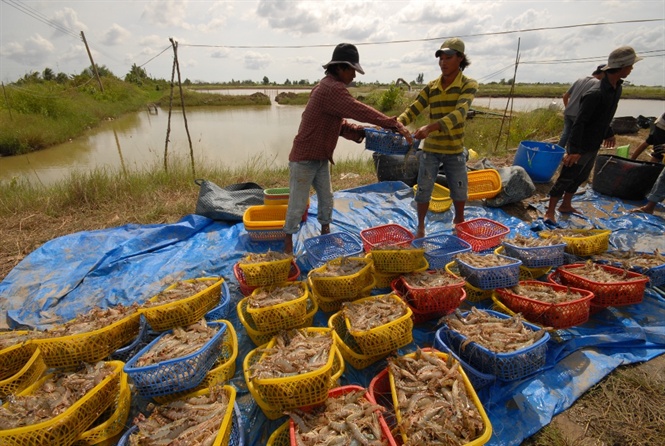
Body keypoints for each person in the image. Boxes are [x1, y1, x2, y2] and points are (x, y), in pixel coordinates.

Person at [283, 43, 412, 254]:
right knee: (297, 205)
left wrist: (362, 132)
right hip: (304, 158)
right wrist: (392, 123)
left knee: (327, 198)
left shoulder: (325, 87)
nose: (354, 75)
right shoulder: (331, 89)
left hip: (321, 158)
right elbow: (358, 109)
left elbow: (340, 124)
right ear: (341, 68)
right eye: (352, 70)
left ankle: (326, 233)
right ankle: (287, 243)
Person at [544, 46, 642, 224]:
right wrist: (573, 150)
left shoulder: (616, 89)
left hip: (594, 142)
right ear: (621, 67)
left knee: (581, 176)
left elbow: (606, 116)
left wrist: (609, 132)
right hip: (581, 143)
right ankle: (550, 211)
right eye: (630, 66)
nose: (631, 69)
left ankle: (566, 204)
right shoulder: (595, 93)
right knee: (567, 175)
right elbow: (579, 123)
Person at [397, 37, 477, 238]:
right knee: (423, 189)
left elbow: (460, 113)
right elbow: (414, 108)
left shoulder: (468, 85)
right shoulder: (432, 86)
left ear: (460, 58)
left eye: (448, 57)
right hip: (431, 150)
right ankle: (421, 227)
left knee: (459, 191)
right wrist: (397, 123)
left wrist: (431, 127)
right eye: (440, 58)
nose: (443, 62)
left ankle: (459, 221)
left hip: (454, 149)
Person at [558, 65, 604, 148]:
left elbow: (565, 96)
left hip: (568, 112)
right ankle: (571, 154)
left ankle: (557, 153)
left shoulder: (580, 79)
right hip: (580, 115)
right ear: (602, 73)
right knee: (577, 137)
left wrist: (567, 107)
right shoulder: (597, 83)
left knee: (565, 134)